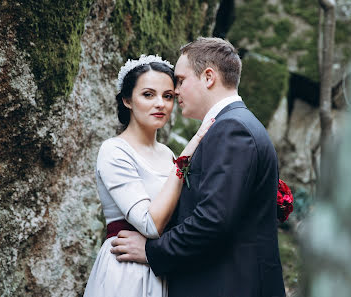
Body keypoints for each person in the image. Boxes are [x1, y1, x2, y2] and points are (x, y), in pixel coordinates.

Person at [111, 37, 287, 297]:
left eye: (181, 80)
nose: (176, 90)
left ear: (208, 77)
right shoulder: (235, 125)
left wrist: (151, 251)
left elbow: (213, 220)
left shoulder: (232, 129)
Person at [83, 55, 214, 297]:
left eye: (167, 96)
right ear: (127, 100)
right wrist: (192, 145)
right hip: (126, 269)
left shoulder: (167, 154)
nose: (160, 104)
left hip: (160, 267)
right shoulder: (114, 151)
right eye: (148, 94)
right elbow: (150, 224)